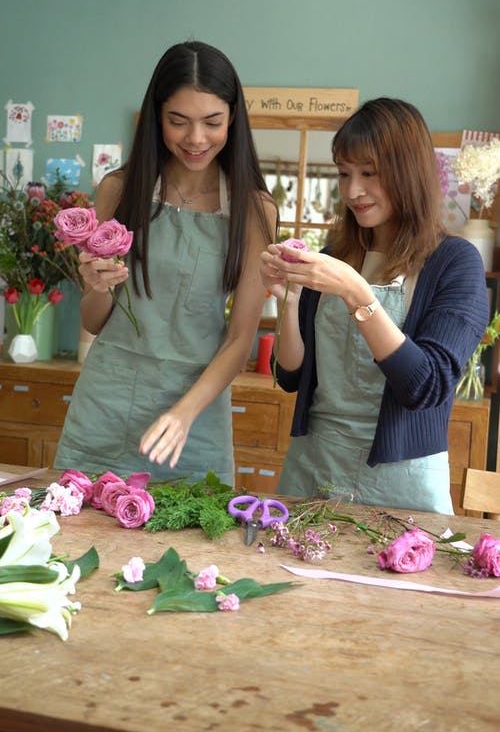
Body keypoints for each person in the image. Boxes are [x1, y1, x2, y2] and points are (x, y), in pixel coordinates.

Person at [54, 40, 277, 483]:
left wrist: (183, 414)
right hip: (105, 406)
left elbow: (239, 339)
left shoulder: (253, 210)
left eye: (212, 122)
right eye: (178, 121)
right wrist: (98, 286)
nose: (196, 139)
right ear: (158, 116)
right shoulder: (119, 190)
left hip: (195, 416)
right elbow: (95, 322)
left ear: (233, 117)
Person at [260, 97, 489, 513]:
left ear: (408, 172)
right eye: (344, 173)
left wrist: (357, 293)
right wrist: (288, 301)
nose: (352, 191)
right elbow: (289, 376)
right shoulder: (334, 255)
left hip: (403, 480)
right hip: (314, 464)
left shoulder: (455, 263)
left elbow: (426, 385)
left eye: (369, 173)